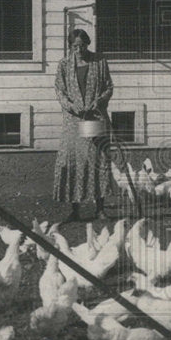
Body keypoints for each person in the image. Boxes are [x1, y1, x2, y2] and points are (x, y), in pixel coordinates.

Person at [53, 29, 114, 220]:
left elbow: (109, 87)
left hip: (94, 117)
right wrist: (71, 107)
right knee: (74, 162)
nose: (78, 49)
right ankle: (75, 210)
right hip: (74, 121)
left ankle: (100, 208)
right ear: (70, 46)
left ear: (87, 44)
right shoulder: (63, 65)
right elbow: (60, 91)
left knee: (98, 160)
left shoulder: (100, 62)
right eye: (74, 46)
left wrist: (100, 101)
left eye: (82, 45)